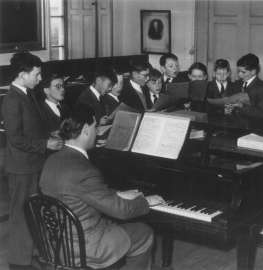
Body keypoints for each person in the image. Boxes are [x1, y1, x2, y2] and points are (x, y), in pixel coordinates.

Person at [40, 104, 164, 270]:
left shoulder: (52, 160)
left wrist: (118, 194)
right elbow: (122, 211)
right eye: (95, 127)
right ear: (85, 130)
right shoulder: (83, 169)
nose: (97, 131)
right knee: (143, 232)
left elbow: (81, 192)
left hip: (55, 242)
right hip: (85, 246)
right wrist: (146, 202)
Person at [2, 52, 63, 267]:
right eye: (37, 75)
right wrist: (44, 144)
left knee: (34, 212)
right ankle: (18, 262)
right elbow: (15, 138)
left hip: (33, 164)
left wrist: (49, 137)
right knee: (20, 216)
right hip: (21, 168)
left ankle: (34, 252)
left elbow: (32, 129)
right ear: (22, 74)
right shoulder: (12, 100)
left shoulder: (28, 94)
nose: (40, 79)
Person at [228, 53, 263, 118]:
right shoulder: (237, 84)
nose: (239, 75)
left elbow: (262, 112)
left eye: (243, 72)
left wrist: (242, 106)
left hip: (253, 126)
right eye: (238, 71)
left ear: (253, 71)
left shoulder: (262, 87)